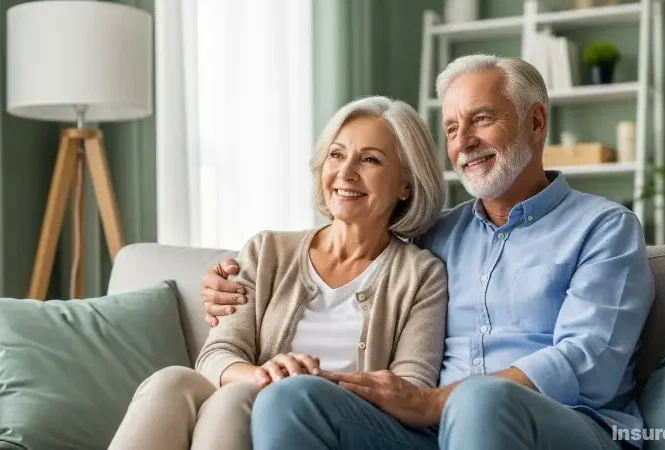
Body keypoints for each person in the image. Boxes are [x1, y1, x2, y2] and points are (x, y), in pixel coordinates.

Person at [202, 54, 655, 450]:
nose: (464, 142)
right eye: (453, 129)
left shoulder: (605, 228)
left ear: (535, 123)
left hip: (572, 428)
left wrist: (439, 399)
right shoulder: (435, 235)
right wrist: (225, 278)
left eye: (481, 119)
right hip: (432, 433)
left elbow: (589, 361)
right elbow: (364, 253)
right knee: (292, 399)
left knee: (477, 399)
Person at [108, 96, 449, 450]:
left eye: (370, 159)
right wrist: (264, 375)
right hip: (252, 395)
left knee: (232, 401)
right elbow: (217, 354)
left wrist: (313, 385)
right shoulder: (267, 251)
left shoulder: (421, 275)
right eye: (336, 154)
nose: (345, 172)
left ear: (405, 184)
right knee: (172, 382)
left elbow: (413, 387)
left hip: (330, 424)